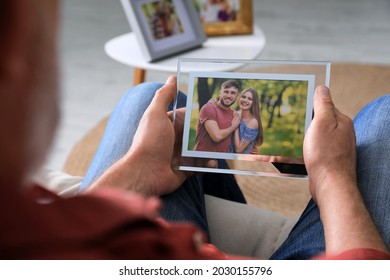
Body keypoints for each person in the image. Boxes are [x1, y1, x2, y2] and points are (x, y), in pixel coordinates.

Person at [1, 0, 390, 260]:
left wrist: (137, 169)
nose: (233, 96)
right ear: (17, 44)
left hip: (198, 181)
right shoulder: (213, 111)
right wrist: (331, 175)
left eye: (238, 94)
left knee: (148, 98)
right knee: (384, 118)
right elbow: (223, 139)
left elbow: (237, 143)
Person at [194, 80, 241, 153]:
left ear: (237, 97)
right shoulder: (209, 108)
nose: (229, 95)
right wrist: (232, 127)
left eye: (233, 93)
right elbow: (217, 136)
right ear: (220, 93)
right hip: (203, 158)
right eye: (226, 91)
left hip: (223, 159)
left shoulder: (235, 115)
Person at [231, 88, 264, 154]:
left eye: (249, 99)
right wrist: (212, 102)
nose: (245, 100)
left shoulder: (253, 122)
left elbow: (238, 149)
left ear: (254, 103)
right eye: (243, 97)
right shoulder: (235, 113)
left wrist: (235, 126)